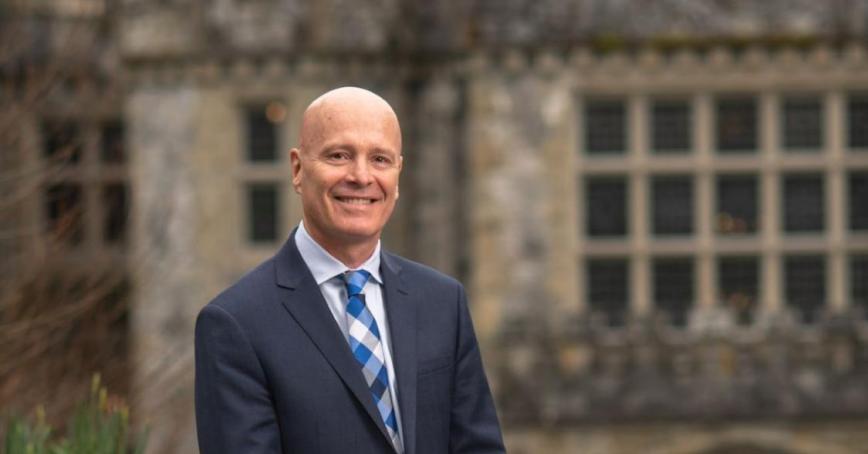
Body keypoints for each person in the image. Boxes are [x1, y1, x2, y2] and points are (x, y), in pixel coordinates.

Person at [194, 87, 505, 454]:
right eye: (339, 155)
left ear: (398, 174)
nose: (361, 176)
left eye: (380, 159)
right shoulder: (235, 324)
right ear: (297, 169)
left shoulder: (442, 302)